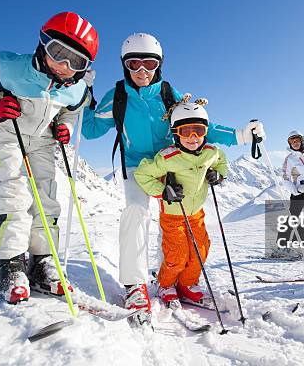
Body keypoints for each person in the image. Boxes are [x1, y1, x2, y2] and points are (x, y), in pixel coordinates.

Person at [82, 32, 265, 326]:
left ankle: (171, 277)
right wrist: (84, 93)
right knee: (136, 212)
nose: (142, 72)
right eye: (134, 64)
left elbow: (197, 123)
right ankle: (135, 285)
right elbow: (89, 130)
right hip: (137, 168)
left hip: (174, 164)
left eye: (149, 64)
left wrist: (241, 135)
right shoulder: (117, 96)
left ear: (160, 65)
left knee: (177, 223)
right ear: (124, 66)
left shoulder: (168, 94)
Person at [0, 12, 98, 304]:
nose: (64, 66)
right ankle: (10, 263)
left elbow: (73, 110)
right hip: (9, 133)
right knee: (14, 193)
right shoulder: (5, 67)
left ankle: (43, 261)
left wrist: (66, 126)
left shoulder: (77, 88)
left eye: (77, 63)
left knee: (46, 197)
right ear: (43, 44)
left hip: (44, 141)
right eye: (58, 53)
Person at [134, 97, 227, 306]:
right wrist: (163, 191)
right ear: (176, 133)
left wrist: (218, 175)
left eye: (199, 131)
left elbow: (222, 162)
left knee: (200, 250)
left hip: (197, 215)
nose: (193, 137)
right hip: (173, 216)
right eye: (186, 131)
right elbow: (142, 175)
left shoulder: (211, 153)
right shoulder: (168, 157)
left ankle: (187, 284)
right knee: (178, 253)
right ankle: (165, 284)